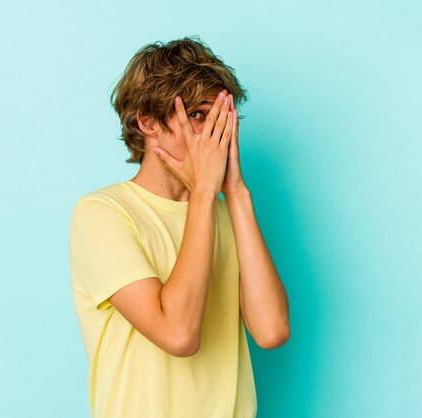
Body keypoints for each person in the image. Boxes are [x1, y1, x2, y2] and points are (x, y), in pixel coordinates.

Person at [69, 36, 290, 418]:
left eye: (223, 116)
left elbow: (271, 331)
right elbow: (178, 334)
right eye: (199, 115)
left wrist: (235, 193)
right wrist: (204, 193)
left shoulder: (227, 213)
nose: (216, 134)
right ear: (148, 121)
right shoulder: (101, 213)